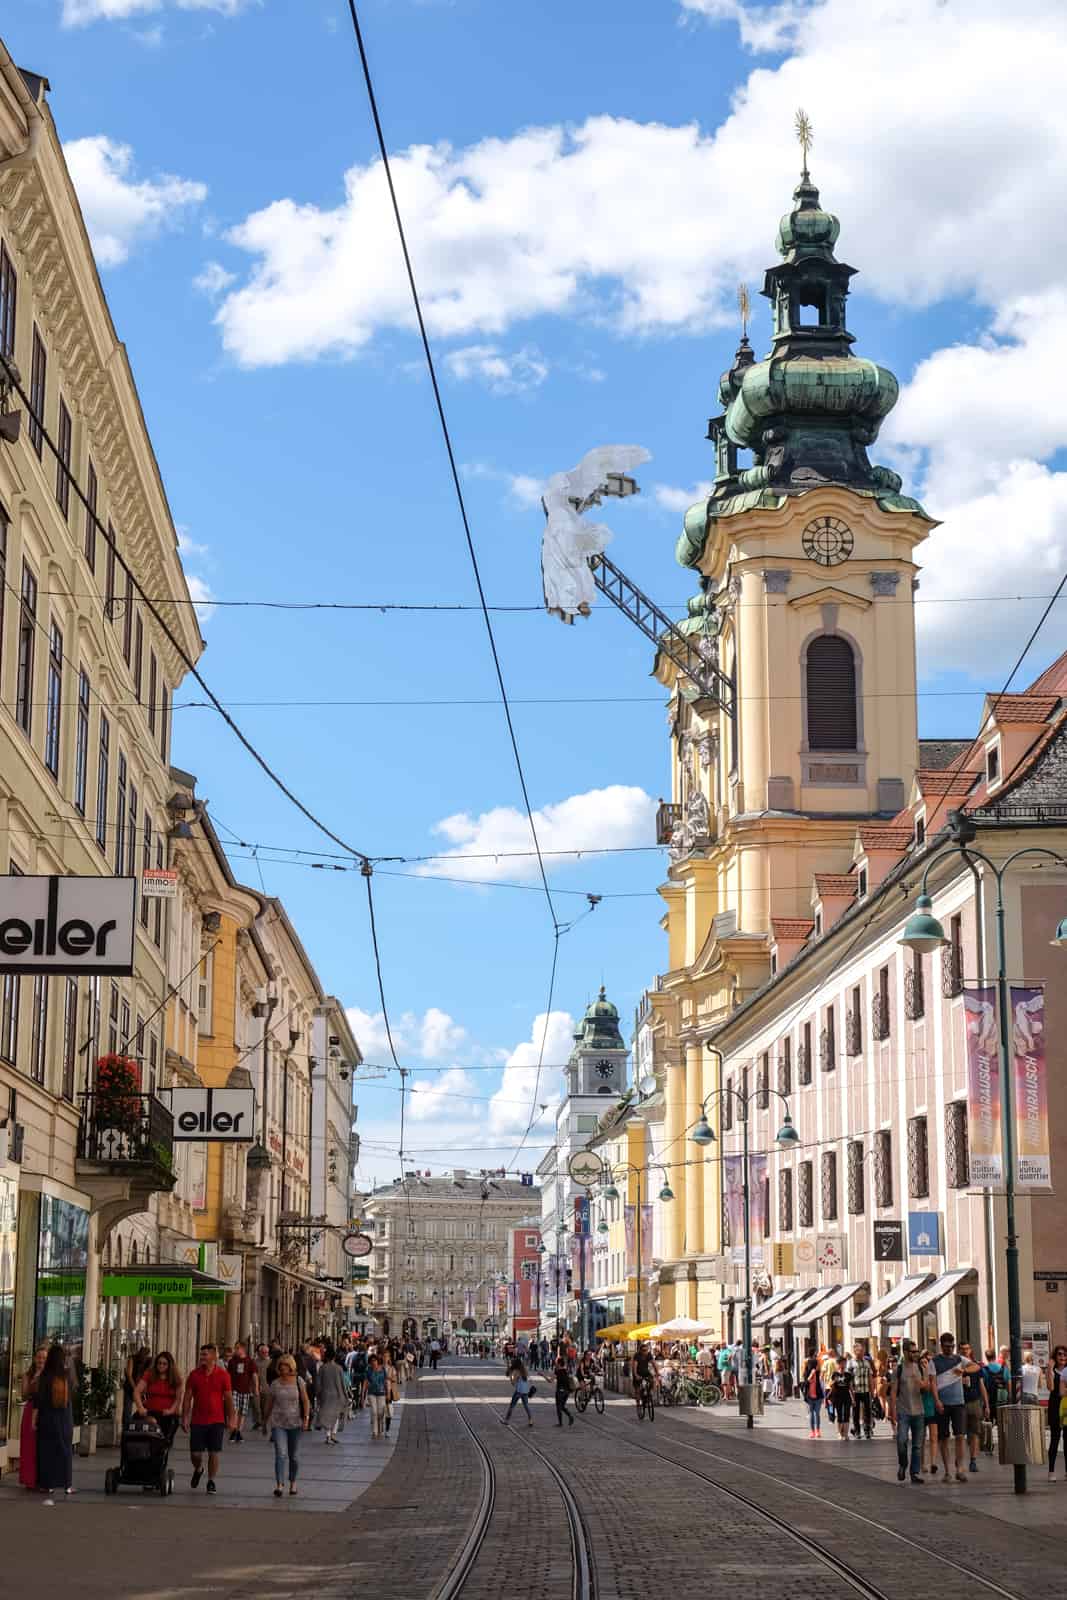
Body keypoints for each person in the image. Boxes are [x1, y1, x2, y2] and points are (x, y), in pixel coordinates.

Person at [181, 1343, 236, 1495]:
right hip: (198, 1420)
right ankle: (198, 1468)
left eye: (205, 1354)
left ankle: (211, 1481)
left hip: (217, 1420)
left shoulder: (223, 1375)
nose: (202, 1357)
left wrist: (232, 1418)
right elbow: (187, 1397)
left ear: (213, 1356)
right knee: (195, 1454)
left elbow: (229, 1398)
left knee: (214, 1452)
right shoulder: (194, 1375)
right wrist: (185, 1417)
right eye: (201, 1354)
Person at [932, 1332, 981, 1483]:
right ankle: (947, 1471)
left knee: (960, 1436)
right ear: (941, 1345)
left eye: (952, 1346)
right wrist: (937, 1400)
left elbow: (976, 1366)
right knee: (944, 1438)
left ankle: (960, 1468)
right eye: (947, 1346)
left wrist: (964, 1371)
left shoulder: (959, 1359)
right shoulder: (934, 1361)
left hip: (959, 1403)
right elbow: (932, 1382)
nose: (950, 1349)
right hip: (943, 1403)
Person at [262, 1354, 310, 1497]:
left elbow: (305, 1400)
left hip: (295, 1423)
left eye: (286, 1368)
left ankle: (293, 1482)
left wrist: (306, 1418)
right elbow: (269, 1404)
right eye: (281, 1368)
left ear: (291, 1367)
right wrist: (264, 1421)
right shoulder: (275, 1384)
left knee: (294, 1456)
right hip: (278, 1424)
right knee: (280, 1454)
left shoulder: (298, 1381)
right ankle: (279, 1485)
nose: (283, 1371)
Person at [35, 1345, 75, 1505]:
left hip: (48, 1416)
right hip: (65, 1416)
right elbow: (73, 1391)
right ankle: (67, 1485)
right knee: (65, 1449)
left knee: (47, 1450)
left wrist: (34, 1418)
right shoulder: (66, 1374)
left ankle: (49, 1484)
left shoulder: (45, 1374)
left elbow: (40, 1398)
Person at [888, 1340, 928, 1485]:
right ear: (905, 1352)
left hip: (919, 1411)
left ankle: (914, 1473)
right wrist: (892, 1412)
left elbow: (926, 1387)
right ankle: (903, 1464)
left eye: (916, 1351)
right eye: (912, 1351)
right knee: (902, 1440)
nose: (915, 1354)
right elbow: (893, 1392)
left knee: (917, 1445)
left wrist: (925, 1376)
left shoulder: (920, 1367)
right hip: (903, 1411)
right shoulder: (898, 1370)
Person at [134, 1351, 183, 1443]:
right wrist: (140, 1408)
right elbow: (137, 1391)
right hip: (150, 1411)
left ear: (169, 1365)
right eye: (159, 1363)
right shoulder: (149, 1374)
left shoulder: (176, 1378)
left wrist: (171, 1410)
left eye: (164, 1364)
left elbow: (178, 1398)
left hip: (167, 1414)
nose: (161, 1366)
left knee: (164, 1443)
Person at [19, 1345, 48, 1491]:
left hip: (45, 1412)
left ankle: (42, 1479)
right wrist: (31, 1382)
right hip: (30, 1410)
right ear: (34, 1359)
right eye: (39, 1357)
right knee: (29, 1445)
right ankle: (29, 1479)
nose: (41, 1360)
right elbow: (24, 1395)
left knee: (42, 1447)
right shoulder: (28, 1374)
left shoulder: (49, 1375)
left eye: (44, 1357)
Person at [958, 1343, 989, 1474]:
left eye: (967, 1348)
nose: (965, 1351)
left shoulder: (976, 1366)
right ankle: (961, 1461)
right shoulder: (957, 1366)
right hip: (960, 1402)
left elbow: (981, 1385)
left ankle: (973, 1461)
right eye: (963, 1349)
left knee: (975, 1432)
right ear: (959, 1351)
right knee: (961, 1433)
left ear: (971, 1350)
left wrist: (986, 1404)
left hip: (975, 1402)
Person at [227, 1342, 258, 1444]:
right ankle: (234, 1430)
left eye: (237, 1348)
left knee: (243, 1412)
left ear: (243, 1349)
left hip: (245, 1390)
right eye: (235, 1348)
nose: (235, 1350)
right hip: (234, 1389)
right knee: (234, 1410)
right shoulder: (232, 1361)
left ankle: (239, 1431)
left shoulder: (250, 1361)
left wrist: (256, 1388)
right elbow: (228, 1376)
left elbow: (254, 1375)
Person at [316, 1351, 348, 1444]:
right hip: (337, 1394)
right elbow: (343, 1383)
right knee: (336, 1415)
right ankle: (333, 1435)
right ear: (334, 1357)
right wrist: (345, 1394)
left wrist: (318, 1394)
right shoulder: (339, 1368)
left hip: (325, 1394)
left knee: (327, 1415)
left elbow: (318, 1383)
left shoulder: (322, 1368)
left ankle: (328, 1435)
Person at [1046, 1344, 1067, 1478]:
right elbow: (1050, 1387)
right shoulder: (1052, 1370)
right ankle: (1051, 1471)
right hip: (1054, 1406)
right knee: (1055, 1438)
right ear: (1055, 1356)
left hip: (1065, 1407)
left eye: (1065, 1354)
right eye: (1059, 1354)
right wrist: (1049, 1369)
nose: (1062, 1357)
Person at [847, 1343, 874, 1438]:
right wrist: (851, 1392)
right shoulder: (850, 1363)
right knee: (855, 1412)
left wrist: (872, 1390)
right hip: (855, 1391)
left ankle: (867, 1431)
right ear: (855, 1351)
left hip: (865, 1390)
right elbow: (849, 1379)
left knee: (867, 1412)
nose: (862, 1352)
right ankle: (857, 1431)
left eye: (863, 1351)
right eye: (860, 1351)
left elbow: (870, 1377)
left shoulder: (867, 1362)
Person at [502, 1358, 534, 1427]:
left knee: (512, 1405)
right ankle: (530, 1420)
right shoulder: (524, 1370)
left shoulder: (517, 1372)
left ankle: (506, 1420)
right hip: (525, 1392)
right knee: (526, 1406)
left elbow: (513, 1383)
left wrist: (511, 1377)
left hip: (519, 1391)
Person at [829, 1355, 854, 1441]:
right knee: (839, 1415)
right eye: (841, 1363)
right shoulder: (835, 1374)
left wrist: (853, 1399)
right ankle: (839, 1433)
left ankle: (846, 1434)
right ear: (838, 1364)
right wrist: (834, 1381)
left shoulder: (848, 1375)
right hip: (837, 1397)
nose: (843, 1365)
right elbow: (831, 1386)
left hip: (846, 1396)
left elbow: (851, 1388)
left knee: (847, 1415)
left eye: (844, 1363)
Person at [802, 1352, 824, 1439]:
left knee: (817, 1414)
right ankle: (812, 1431)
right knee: (811, 1414)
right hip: (809, 1396)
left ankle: (818, 1430)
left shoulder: (818, 1373)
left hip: (818, 1395)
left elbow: (821, 1381)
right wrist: (810, 1375)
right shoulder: (806, 1373)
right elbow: (805, 1383)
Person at [366, 1355, 388, 1439]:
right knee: (374, 1412)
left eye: (374, 1360)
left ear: (377, 1361)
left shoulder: (382, 1370)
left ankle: (380, 1428)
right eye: (371, 1361)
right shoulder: (368, 1371)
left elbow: (385, 1381)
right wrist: (363, 1395)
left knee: (380, 1412)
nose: (373, 1362)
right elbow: (366, 1382)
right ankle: (374, 1432)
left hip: (381, 1393)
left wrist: (388, 1393)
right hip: (371, 1393)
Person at [554, 1354, 575, 1427]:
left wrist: (542, 1375)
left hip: (560, 1391)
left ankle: (560, 1423)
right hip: (567, 1392)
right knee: (562, 1406)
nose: (555, 1363)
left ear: (559, 1363)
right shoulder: (566, 1370)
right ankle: (570, 1416)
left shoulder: (558, 1371)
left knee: (558, 1407)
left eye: (556, 1362)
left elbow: (550, 1380)